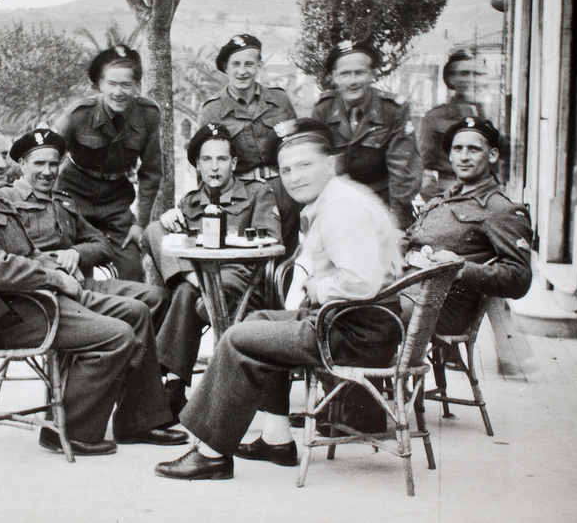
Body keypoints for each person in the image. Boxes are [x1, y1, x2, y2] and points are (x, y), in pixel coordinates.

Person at [154, 123, 403, 480]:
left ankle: (210, 454)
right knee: (256, 321)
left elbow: (361, 282)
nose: (294, 177)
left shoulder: (342, 209)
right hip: (353, 320)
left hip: (356, 330)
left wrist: (318, 288)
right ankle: (277, 439)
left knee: (238, 338)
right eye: (286, 170)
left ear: (329, 165)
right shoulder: (337, 198)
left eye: (304, 166)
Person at [0, 119, 187, 457]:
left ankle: (138, 421)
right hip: (11, 318)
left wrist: (58, 268)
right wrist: (55, 278)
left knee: (139, 312)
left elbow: (30, 253)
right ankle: (67, 429)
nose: (2, 163)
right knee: (118, 337)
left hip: (37, 300)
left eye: (2, 155)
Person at [143, 123, 282, 420]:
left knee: (185, 292)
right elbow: (163, 240)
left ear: (233, 163)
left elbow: (272, 238)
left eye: (221, 159)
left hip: (241, 279)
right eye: (207, 160)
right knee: (157, 231)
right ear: (197, 164)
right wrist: (170, 220)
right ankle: (203, 291)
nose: (214, 167)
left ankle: (173, 387)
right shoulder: (190, 202)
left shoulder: (257, 193)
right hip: (200, 278)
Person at [1, 127, 170, 332]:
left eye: (53, 164)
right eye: (39, 163)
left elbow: (102, 244)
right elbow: (9, 256)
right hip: (45, 294)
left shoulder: (63, 202)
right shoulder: (6, 200)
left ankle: (140, 362)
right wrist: (56, 265)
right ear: (22, 164)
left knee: (158, 297)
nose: (47, 172)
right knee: (136, 311)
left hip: (83, 284)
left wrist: (76, 253)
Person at [403, 116, 532, 335]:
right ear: (450, 156)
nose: (463, 157)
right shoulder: (441, 199)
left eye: (473, 150)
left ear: (492, 155)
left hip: (441, 306)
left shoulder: (500, 209)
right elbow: (410, 238)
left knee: (358, 314)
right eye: (457, 149)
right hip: (408, 289)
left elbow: (520, 277)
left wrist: (462, 268)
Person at [54, 45, 161, 282]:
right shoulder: (79, 114)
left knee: (133, 268)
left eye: (126, 84)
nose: (118, 92)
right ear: (100, 84)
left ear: (136, 85)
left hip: (115, 204)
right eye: (112, 84)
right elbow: (49, 154)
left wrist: (140, 224)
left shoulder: (148, 114)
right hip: (72, 198)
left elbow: (152, 172)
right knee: (77, 271)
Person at [198, 34, 300, 252]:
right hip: (242, 199)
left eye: (249, 64)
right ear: (226, 67)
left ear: (259, 66)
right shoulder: (212, 110)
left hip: (284, 191)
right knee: (249, 259)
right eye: (235, 64)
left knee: (286, 259)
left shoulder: (279, 100)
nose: (242, 71)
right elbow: (206, 167)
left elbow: (295, 147)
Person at [309, 40, 422, 230]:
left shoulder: (393, 109)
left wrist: (396, 225)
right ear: (334, 77)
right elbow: (317, 166)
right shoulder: (324, 109)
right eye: (345, 74)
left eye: (359, 72)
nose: (353, 81)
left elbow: (403, 172)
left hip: (382, 205)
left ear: (372, 75)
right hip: (337, 205)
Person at [418, 49, 489, 199]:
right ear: (451, 79)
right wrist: (443, 204)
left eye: (476, 74)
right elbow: (422, 170)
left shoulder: (489, 117)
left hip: (487, 193)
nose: (470, 79)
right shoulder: (435, 117)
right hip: (451, 192)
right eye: (464, 73)